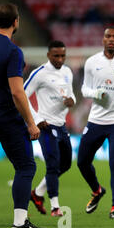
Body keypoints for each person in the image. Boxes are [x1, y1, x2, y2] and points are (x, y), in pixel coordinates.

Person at [0, 3, 49, 228]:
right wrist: (31, 123)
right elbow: (17, 92)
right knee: (26, 167)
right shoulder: (13, 51)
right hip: (5, 118)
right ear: (16, 22)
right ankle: (20, 223)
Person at [77, 27, 114, 219]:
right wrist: (95, 94)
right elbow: (84, 88)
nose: (111, 39)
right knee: (82, 162)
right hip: (96, 119)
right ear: (103, 39)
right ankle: (97, 190)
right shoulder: (92, 62)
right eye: (108, 36)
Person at [25, 40, 75, 217]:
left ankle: (37, 193)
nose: (60, 59)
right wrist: (37, 119)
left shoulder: (68, 72)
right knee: (52, 166)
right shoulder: (39, 73)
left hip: (62, 126)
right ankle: (55, 206)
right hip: (47, 126)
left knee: (66, 164)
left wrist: (72, 101)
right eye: (56, 56)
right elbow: (23, 96)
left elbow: (71, 95)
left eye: (63, 56)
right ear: (48, 55)